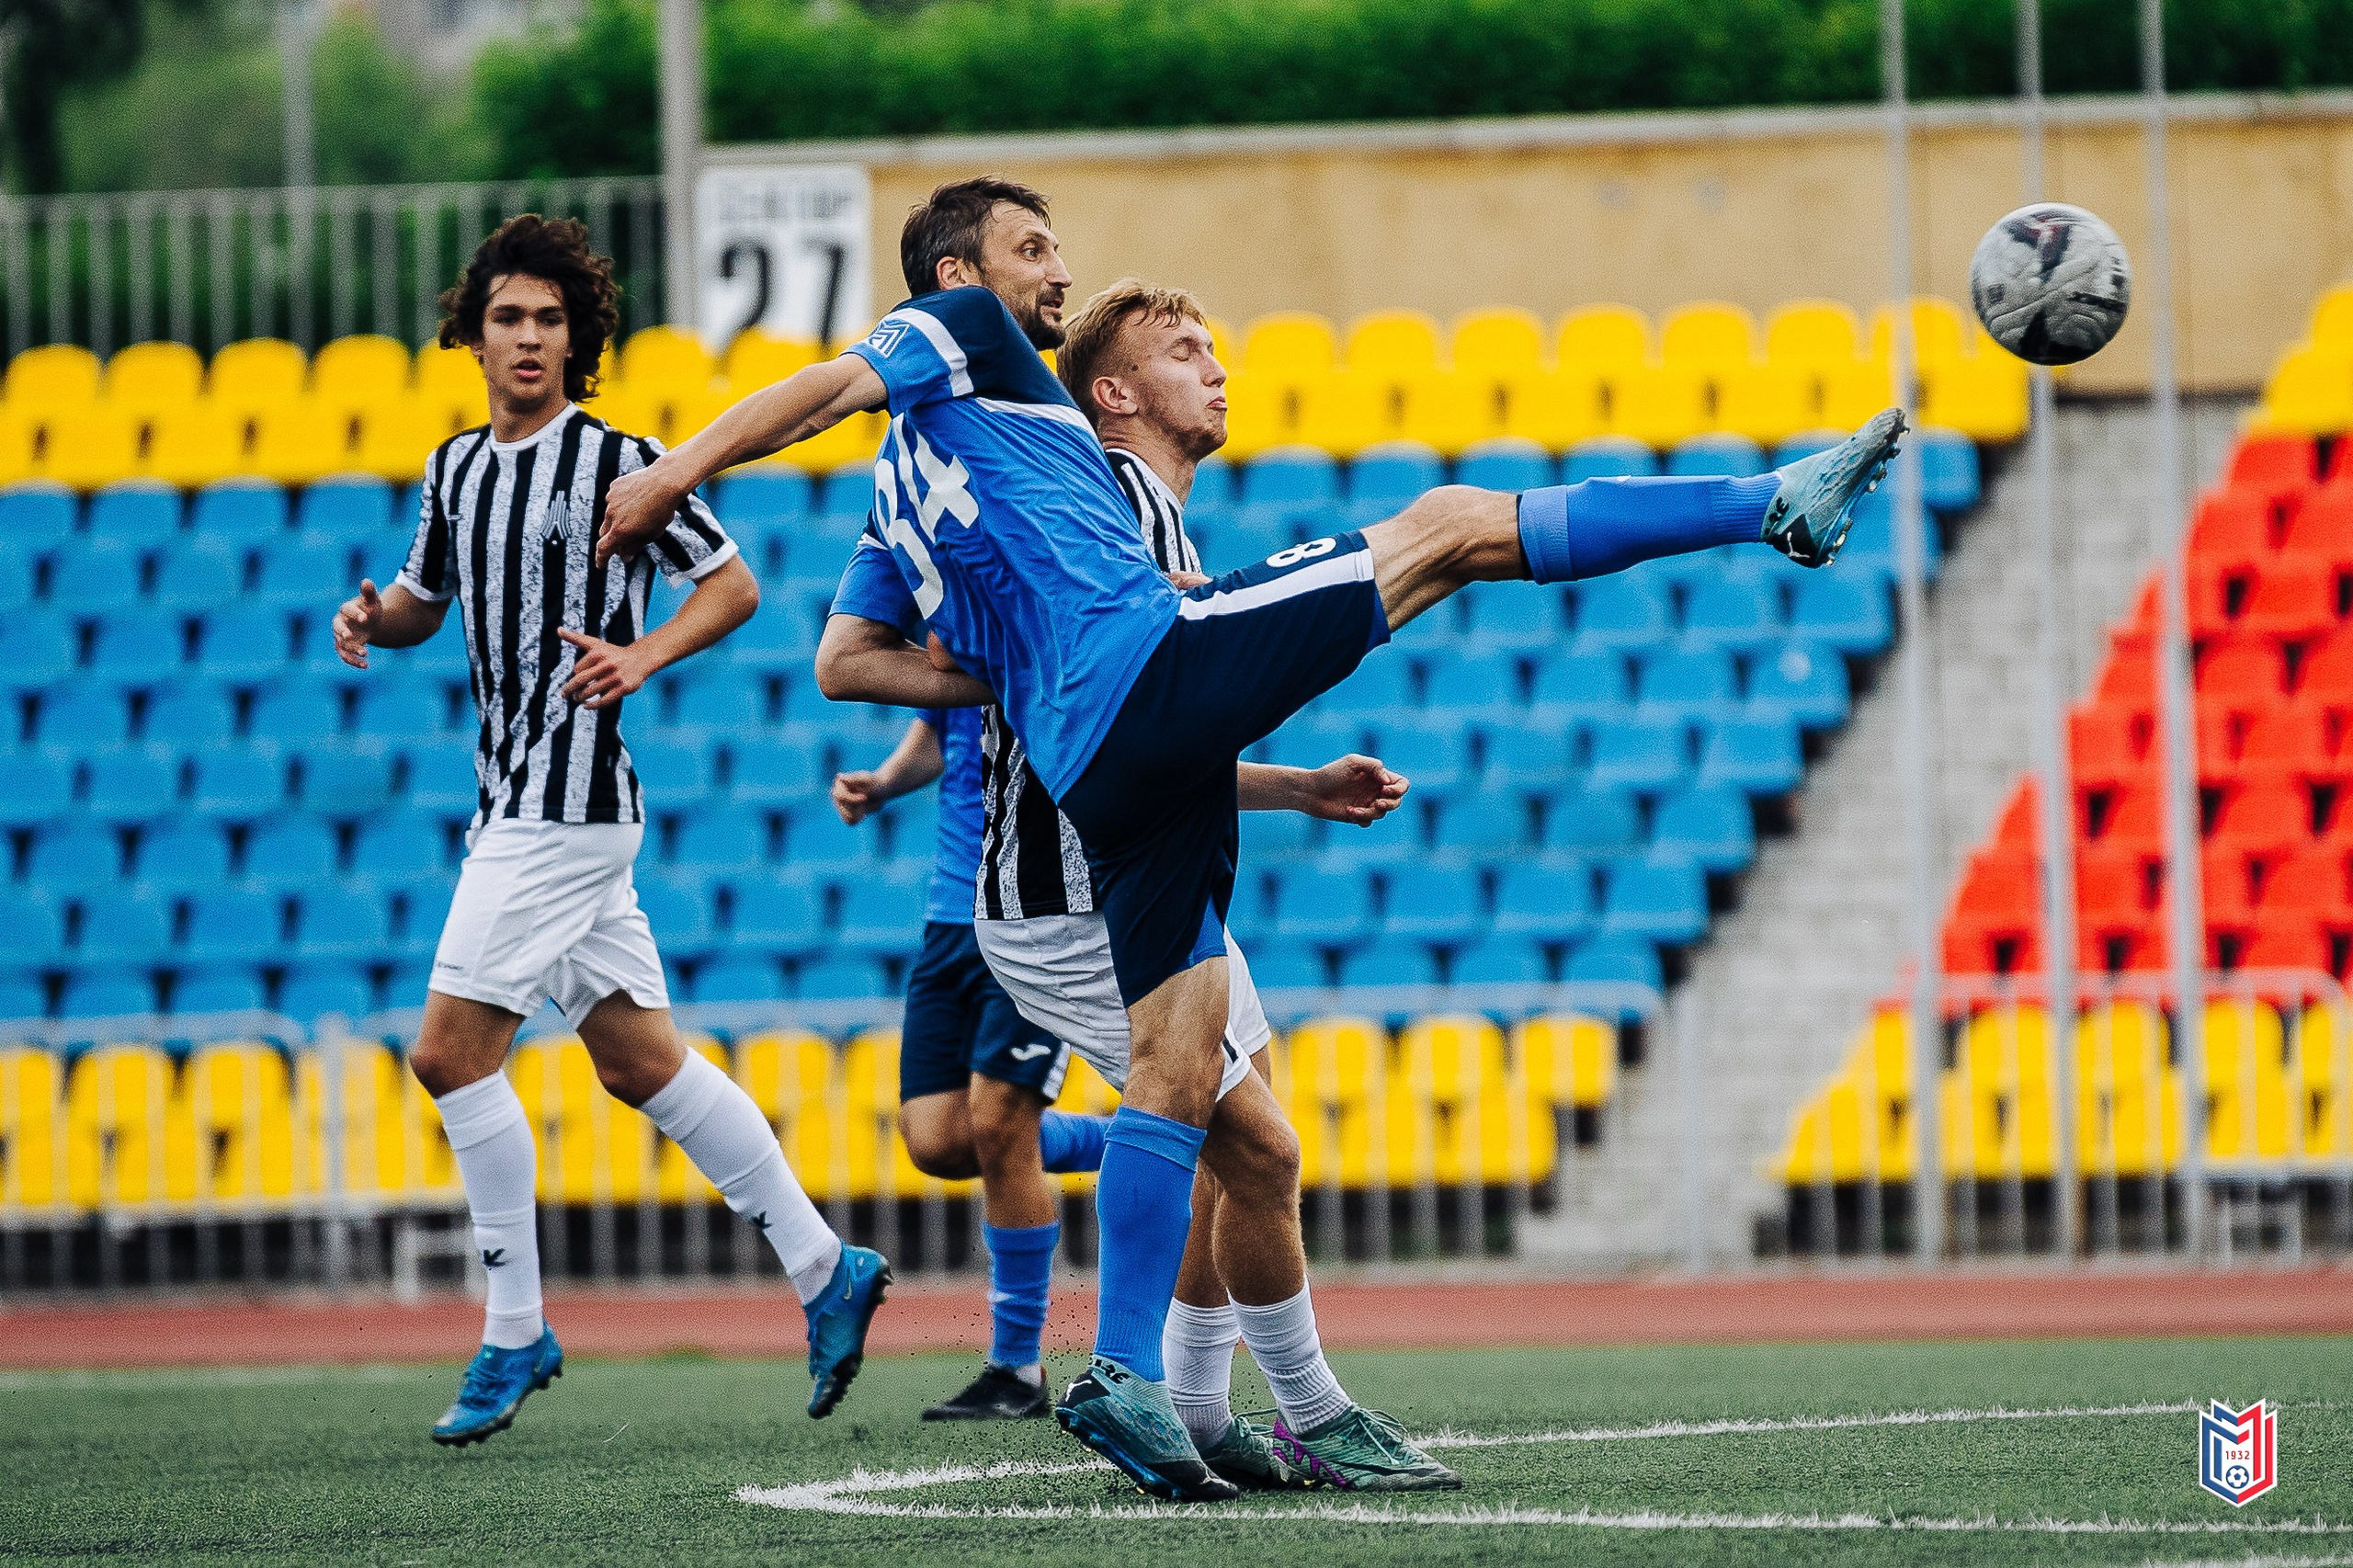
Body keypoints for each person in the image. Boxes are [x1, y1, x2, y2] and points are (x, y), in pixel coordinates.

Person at [597, 176, 1901, 1501]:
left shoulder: (903, 498)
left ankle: (1166, 1388)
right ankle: (1771, 505)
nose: (1056, 270)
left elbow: (843, 661)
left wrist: (1037, 686)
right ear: (956, 281)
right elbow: (823, 390)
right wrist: (672, 474)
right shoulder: (981, 351)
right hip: (1133, 701)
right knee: (1448, 526)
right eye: (1031, 249)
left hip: (1111, 769)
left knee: (1224, 1118)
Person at [819, 276, 1458, 1491]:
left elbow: (1156, 728)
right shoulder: (1088, 493)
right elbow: (892, 669)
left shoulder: (1140, 514)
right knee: (1229, 1139)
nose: (1218, 368)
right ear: (1113, 397)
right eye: (1186, 350)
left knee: (1250, 1150)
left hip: (1145, 874)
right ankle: (1272, 1406)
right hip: (1076, 894)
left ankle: (1208, 1409)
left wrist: (1298, 787)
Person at [328, 214, 890, 1449]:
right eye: (508, 316)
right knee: (640, 1062)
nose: (529, 337)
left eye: (549, 318)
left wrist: (640, 655)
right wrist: (375, 614)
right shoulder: (453, 470)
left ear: (579, 335)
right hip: (518, 797)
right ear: (472, 333)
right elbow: (427, 600)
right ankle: (825, 1264)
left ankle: (515, 1324)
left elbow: (734, 585)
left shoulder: (619, 459)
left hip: (565, 804)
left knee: (446, 1053)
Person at [824, 707, 1112, 1421]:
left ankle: (1016, 1368)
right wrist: (888, 782)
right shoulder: (954, 634)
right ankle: (1132, 1138)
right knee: (937, 1140)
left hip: (1035, 913)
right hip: (949, 921)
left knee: (999, 1121)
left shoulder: (1037, 622)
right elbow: (941, 727)